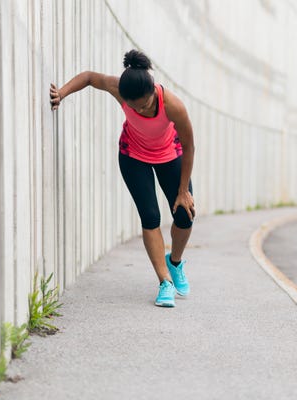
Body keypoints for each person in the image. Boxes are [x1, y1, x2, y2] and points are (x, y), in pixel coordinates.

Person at [50, 50, 195, 308]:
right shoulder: (119, 88)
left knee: (184, 216)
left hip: (170, 155)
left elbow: (189, 145)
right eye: (136, 106)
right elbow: (89, 78)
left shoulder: (173, 105)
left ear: (154, 93)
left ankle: (175, 262)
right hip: (133, 156)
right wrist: (62, 92)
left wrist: (183, 190)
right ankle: (165, 283)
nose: (141, 109)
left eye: (146, 105)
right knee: (150, 217)